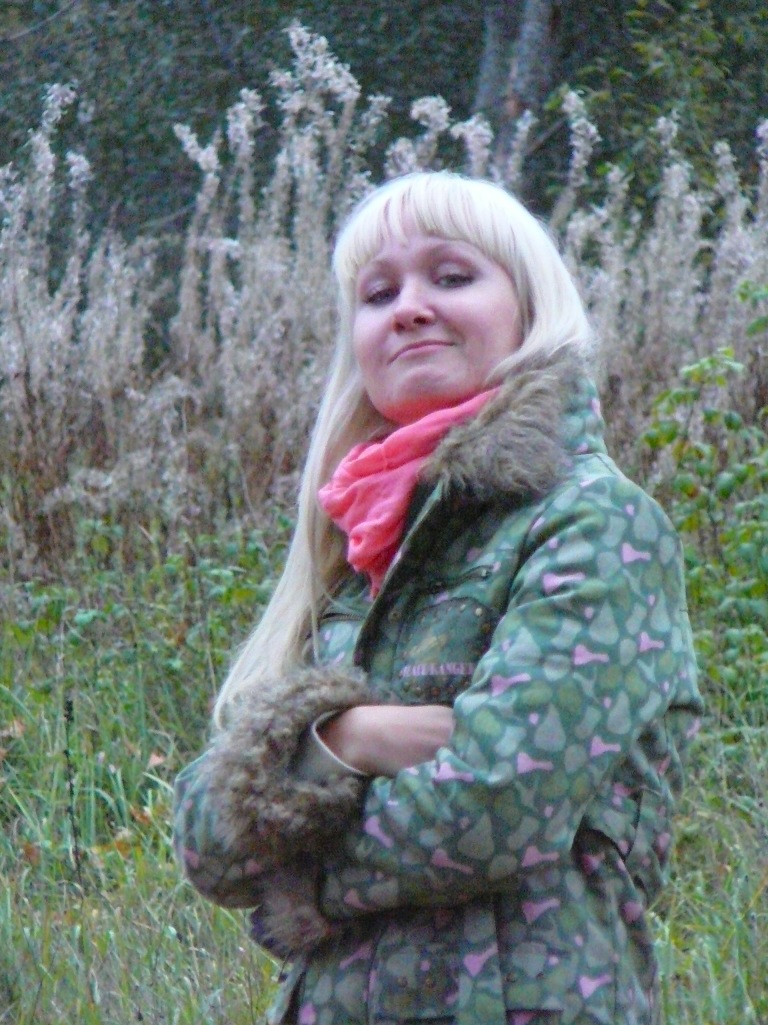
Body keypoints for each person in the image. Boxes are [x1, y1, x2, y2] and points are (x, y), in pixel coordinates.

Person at [173, 171, 703, 1025]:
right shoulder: (355, 550)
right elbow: (205, 838)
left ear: (530, 307)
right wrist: (347, 740)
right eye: (378, 293)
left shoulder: (596, 523)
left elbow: (492, 810)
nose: (410, 308)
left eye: (452, 277)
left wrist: (296, 876)